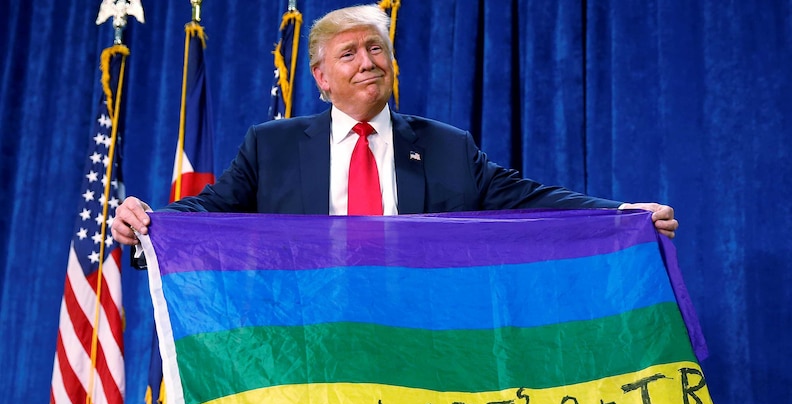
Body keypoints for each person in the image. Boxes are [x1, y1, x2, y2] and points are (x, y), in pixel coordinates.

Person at [111, 5, 678, 246]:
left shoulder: (446, 147)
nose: (368, 61)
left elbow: (529, 198)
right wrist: (148, 221)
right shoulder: (273, 146)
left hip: (415, 348)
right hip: (311, 345)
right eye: (350, 52)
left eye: (376, 48)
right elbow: (213, 209)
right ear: (321, 78)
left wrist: (621, 216)